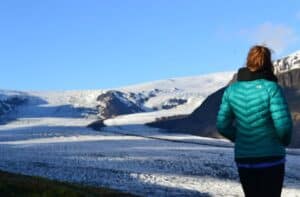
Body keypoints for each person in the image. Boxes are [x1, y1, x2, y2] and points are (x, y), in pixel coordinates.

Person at [216, 45, 293, 197]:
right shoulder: (271, 88)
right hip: (271, 157)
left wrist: (241, 138)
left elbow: (222, 125)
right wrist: (283, 142)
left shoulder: (231, 90)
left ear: (248, 61)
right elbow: (283, 126)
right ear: (268, 63)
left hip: (244, 159)